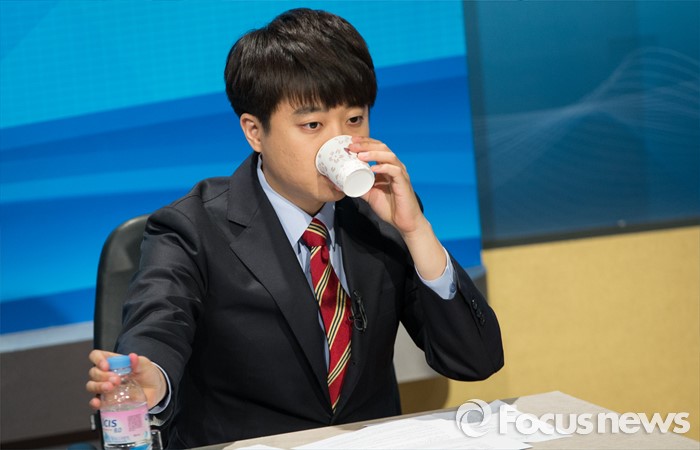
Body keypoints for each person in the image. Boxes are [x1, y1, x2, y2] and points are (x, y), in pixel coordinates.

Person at [86, 8, 503, 448]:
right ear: (254, 131)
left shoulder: (382, 216)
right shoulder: (190, 228)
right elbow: (160, 321)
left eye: (354, 120)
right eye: (312, 125)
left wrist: (416, 229)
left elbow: (475, 360)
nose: (341, 144)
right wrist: (153, 377)